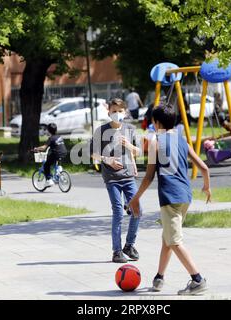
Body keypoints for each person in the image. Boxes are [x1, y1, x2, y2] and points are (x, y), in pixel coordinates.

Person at [129, 104, 211, 296]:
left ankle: (197, 280)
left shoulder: (156, 143)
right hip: (185, 197)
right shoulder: (183, 141)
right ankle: (159, 278)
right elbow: (204, 167)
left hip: (169, 197)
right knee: (167, 238)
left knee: (174, 241)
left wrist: (135, 199)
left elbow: (148, 177)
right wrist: (206, 186)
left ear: (157, 123)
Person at [91, 98, 141, 263]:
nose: (117, 114)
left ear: (125, 112)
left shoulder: (131, 129)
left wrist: (130, 146)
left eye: (120, 111)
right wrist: (108, 160)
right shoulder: (101, 131)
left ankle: (129, 245)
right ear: (109, 112)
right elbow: (94, 155)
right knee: (118, 212)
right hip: (112, 178)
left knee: (137, 211)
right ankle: (116, 251)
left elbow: (138, 152)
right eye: (114, 111)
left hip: (128, 177)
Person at [33, 123, 67, 187]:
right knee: (57, 160)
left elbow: (44, 148)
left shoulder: (51, 138)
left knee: (46, 165)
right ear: (56, 129)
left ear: (48, 131)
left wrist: (36, 148)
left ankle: (49, 180)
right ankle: (59, 171)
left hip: (56, 153)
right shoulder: (60, 137)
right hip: (64, 152)